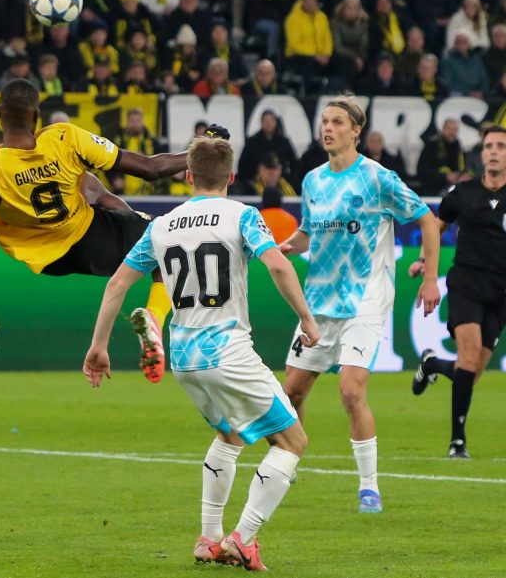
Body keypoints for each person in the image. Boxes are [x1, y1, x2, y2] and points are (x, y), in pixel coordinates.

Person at [0, 80, 224, 382]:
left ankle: (142, 255)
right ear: (37, 116)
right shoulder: (64, 138)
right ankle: (155, 318)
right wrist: (204, 146)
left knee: (124, 213)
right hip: (90, 233)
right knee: (167, 239)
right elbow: (150, 168)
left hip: (50, 260)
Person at [81, 136, 319, 571]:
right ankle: (242, 540)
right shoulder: (243, 216)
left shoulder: (162, 226)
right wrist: (306, 318)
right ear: (232, 177)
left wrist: (98, 346)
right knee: (292, 441)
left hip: (185, 356)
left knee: (229, 435)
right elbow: (278, 264)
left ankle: (209, 539)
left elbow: (117, 284)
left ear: (188, 175)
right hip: (227, 349)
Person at [279, 98, 441, 514]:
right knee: (290, 393)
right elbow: (308, 233)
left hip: (365, 299)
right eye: (324, 121)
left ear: (356, 131)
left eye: (337, 122)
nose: (327, 128)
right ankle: (287, 461)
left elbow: (426, 218)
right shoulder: (313, 180)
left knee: (351, 390)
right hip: (320, 303)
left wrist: (429, 278)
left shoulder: (378, 178)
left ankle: (369, 486)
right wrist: (285, 247)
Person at [409, 126, 506, 458]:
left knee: (472, 371)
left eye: (501, 146)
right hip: (467, 283)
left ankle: (433, 364)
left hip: (501, 291)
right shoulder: (462, 193)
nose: (494, 152)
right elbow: (435, 227)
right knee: (469, 354)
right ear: (482, 154)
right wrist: (425, 261)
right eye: (489, 146)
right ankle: (457, 441)